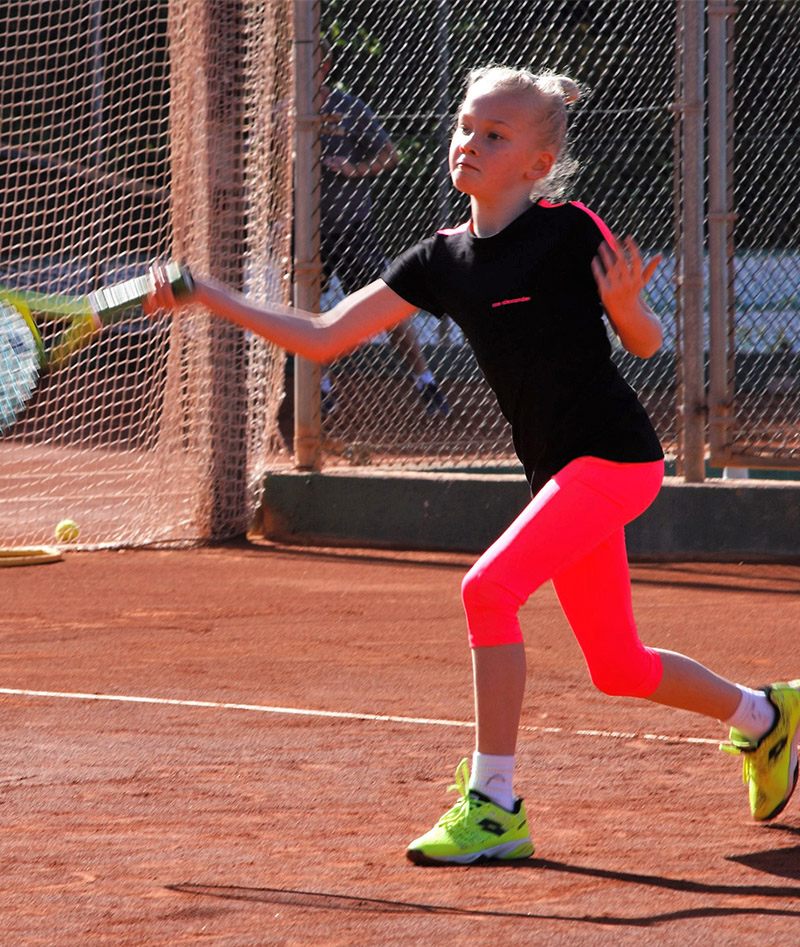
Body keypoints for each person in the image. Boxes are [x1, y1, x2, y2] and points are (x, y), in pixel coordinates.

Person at [147, 65, 800, 865]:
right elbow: (322, 336)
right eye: (465, 127)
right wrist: (207, 293)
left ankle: (494, 804)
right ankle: (766, 716)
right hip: (559, 474)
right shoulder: (439, 260)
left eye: (495, 135)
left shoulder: (567, 231)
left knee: (487, 588)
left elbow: (646, 342)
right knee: (618, 666)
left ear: (537, 163)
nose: (470, 143)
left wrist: (628, 306)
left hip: (613, 457)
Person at [317, 40, 449, 417]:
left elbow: (390, 155)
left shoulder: (349, 107)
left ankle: (425, 382)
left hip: (351, 226)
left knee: (386, 306)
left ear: (324, 66)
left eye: (308, 61)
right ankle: (320, 390)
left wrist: (354, 169)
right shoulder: (284, 111)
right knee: (303, 307)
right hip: (304, 230)